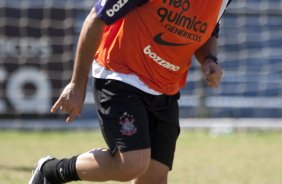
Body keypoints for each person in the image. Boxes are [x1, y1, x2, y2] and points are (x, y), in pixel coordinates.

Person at [29, 0, 232, 183]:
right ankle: (50, 172)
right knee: (131, 164)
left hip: (166, 87)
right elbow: (95, 19)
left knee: (155, 176)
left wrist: (209, 59)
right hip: (120, 74)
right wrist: (77, 84)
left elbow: (210, 27)